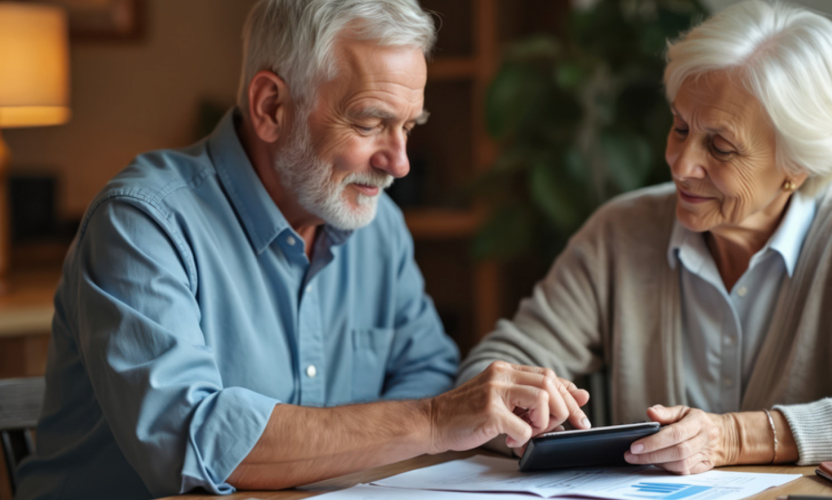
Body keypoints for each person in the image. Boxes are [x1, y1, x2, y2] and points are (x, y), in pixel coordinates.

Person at [14, 1, 590, 499]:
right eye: (370, 123)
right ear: (271, 106)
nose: (399, 163)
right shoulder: (142, 223)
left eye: (409, 127)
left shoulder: (379, 226)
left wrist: (442, 416)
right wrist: (435, 420)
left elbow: (426, 374)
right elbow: (195, 441)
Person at [458, 0, 832, 474]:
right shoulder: (620, 232)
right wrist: (521, 414)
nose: (681, 164)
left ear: (797, 165)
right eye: (680, 128)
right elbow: (489, 374)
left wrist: (732, 438)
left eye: (720, 147)